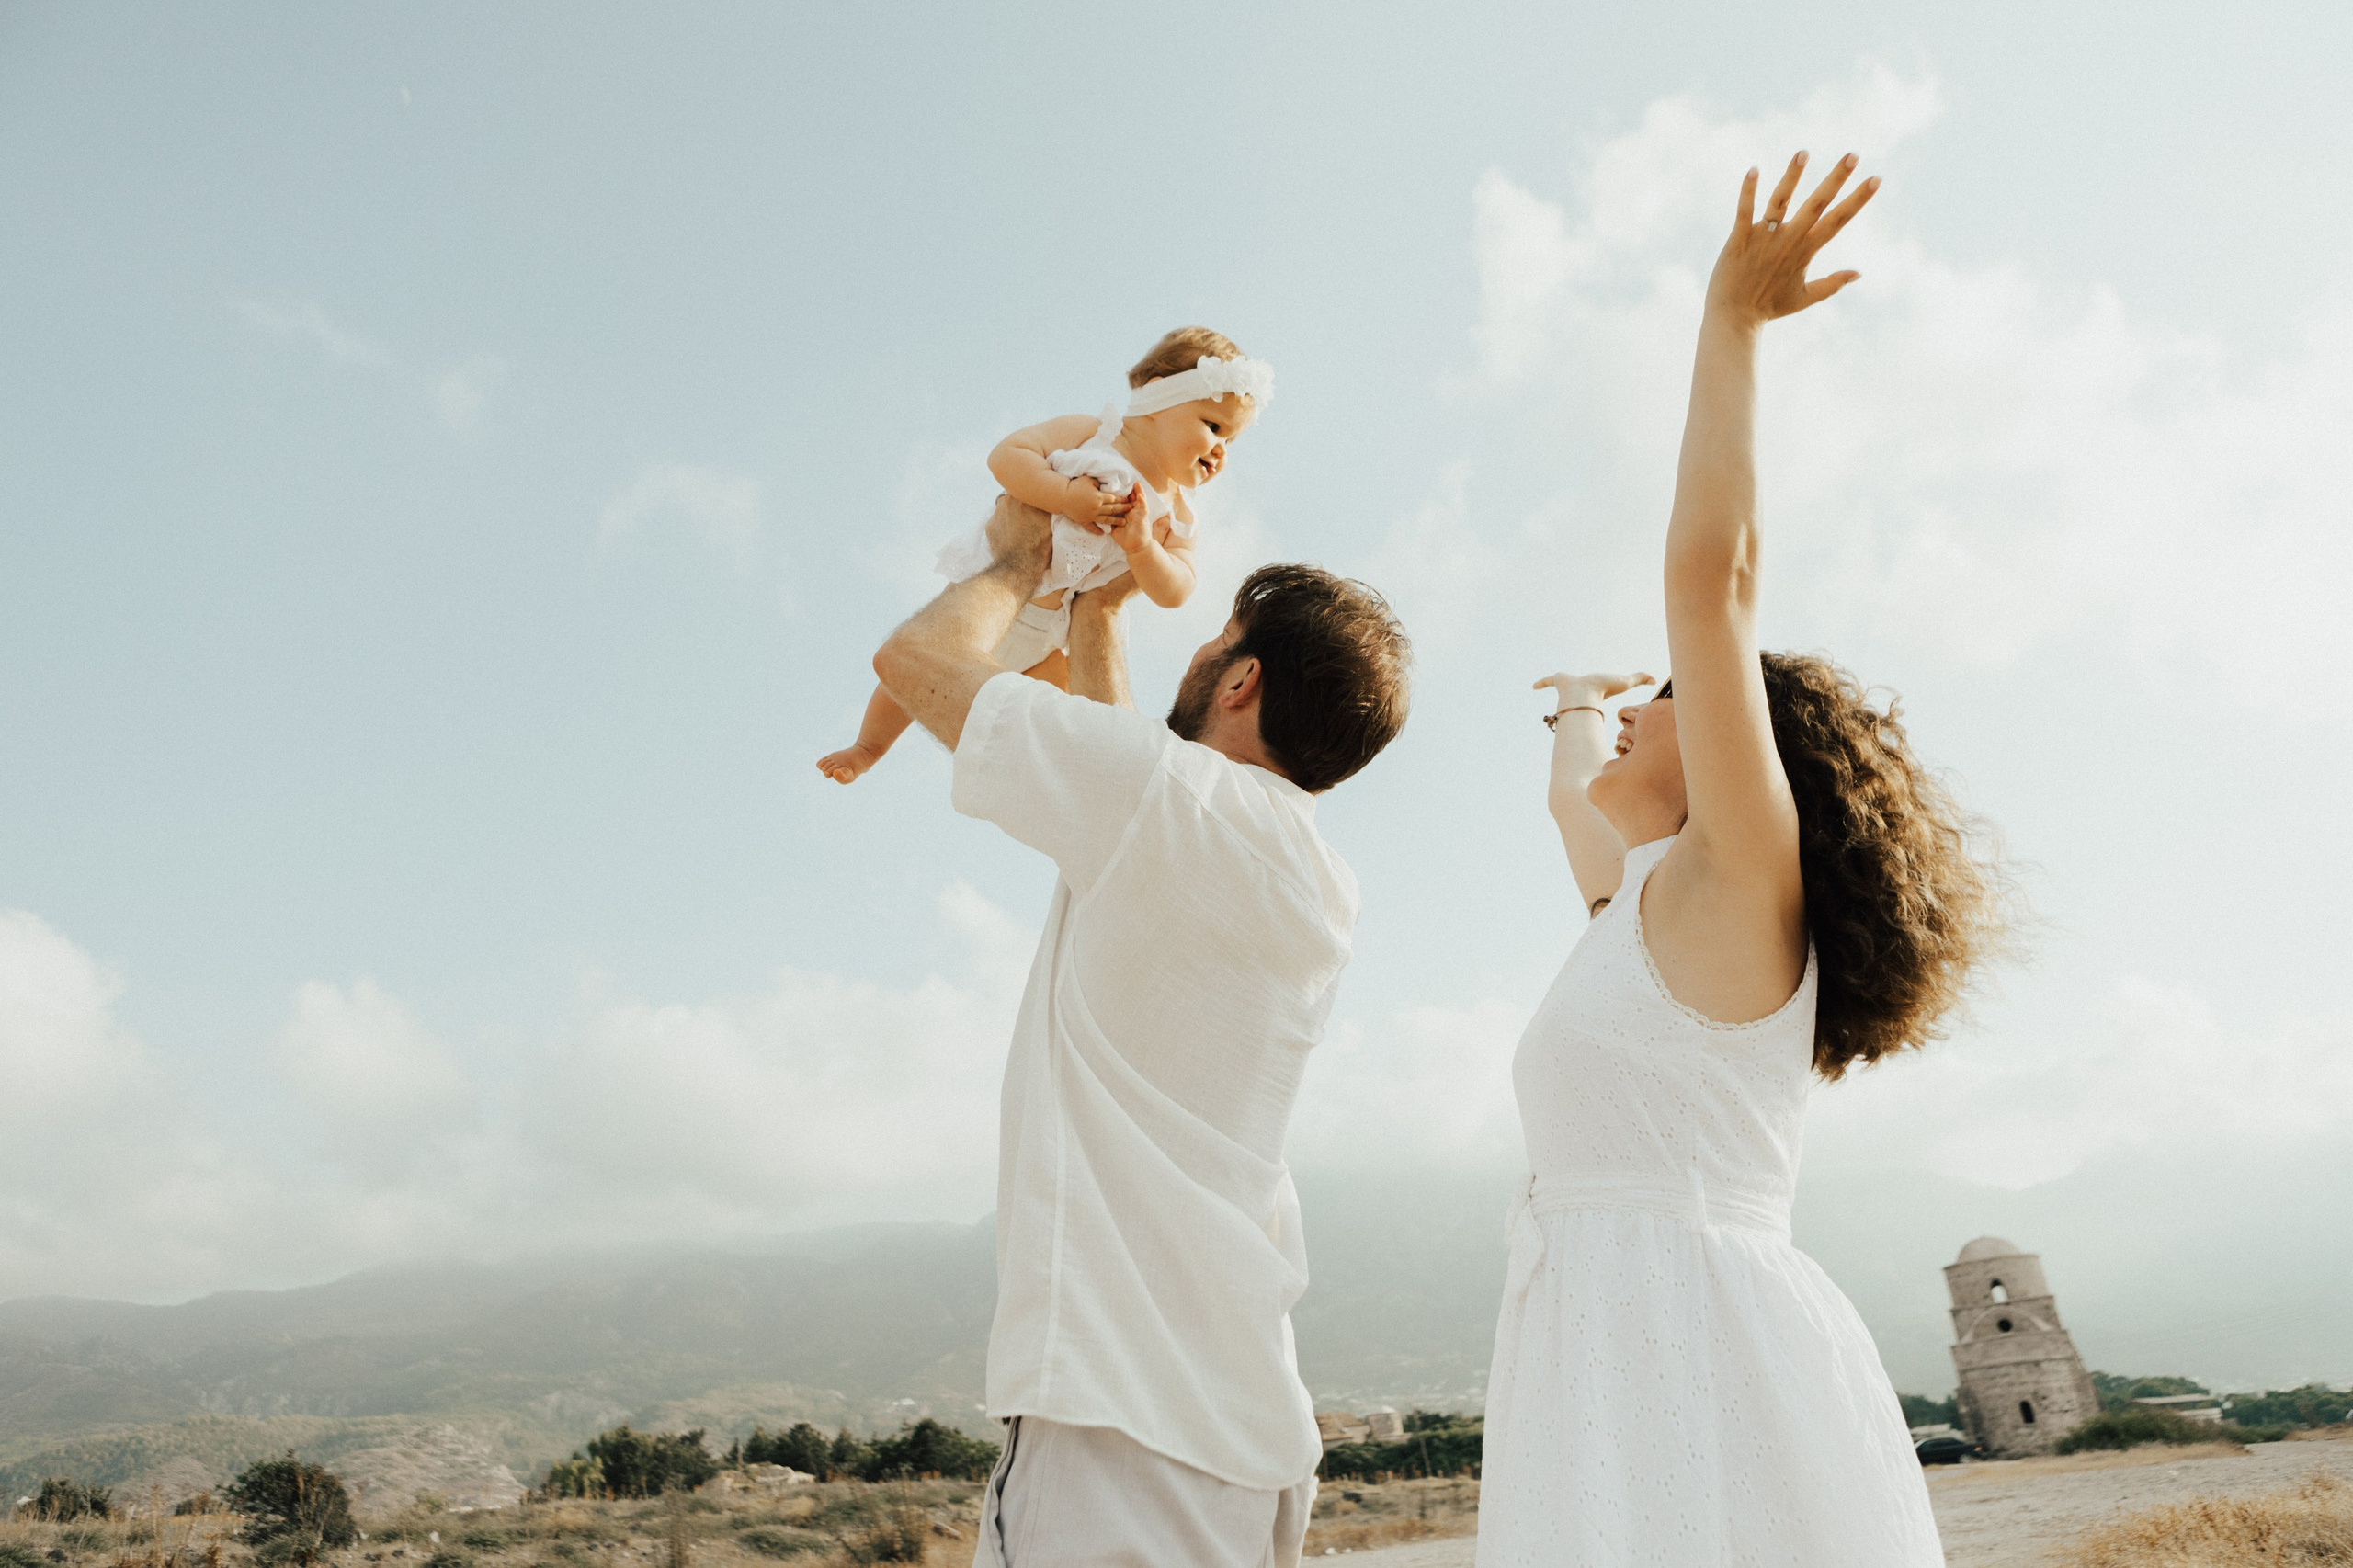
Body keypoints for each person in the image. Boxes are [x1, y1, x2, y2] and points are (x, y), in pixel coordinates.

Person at [1477, 153, 2012, 1565]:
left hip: (1700, 1349)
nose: (1639, 709)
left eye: (1660, 691)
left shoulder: (1733, 882)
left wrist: (1728, 323)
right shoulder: (1637, 908)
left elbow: (1710, 576)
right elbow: (1566, 799)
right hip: (1595, 1348)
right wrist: (1583, 697)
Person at [870, 494, 1410, 1566]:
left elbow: (914, 660)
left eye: (1212, 639)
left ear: (1241, 678)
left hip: (1112, 1424)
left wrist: (1021, 562)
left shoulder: (1165, 807)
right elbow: (1130, 780)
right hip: (1244, 1436)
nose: (1198, 649)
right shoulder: (1308, 876)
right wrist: (1104, 614)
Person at [818, 325, 1272, 783]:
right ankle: (867, 747)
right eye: (1213, 427)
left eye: (1231, 442)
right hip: (994, 595)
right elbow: (1008, 456)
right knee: (908, 675)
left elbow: (1177, 588)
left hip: (1051, 634)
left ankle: (1065, 781)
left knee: (1068, 718)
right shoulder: (1091, 434)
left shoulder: (1175, 515)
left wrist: (1143, 548)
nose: (1220, 450)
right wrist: (1064, 496)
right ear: (1158, 398)